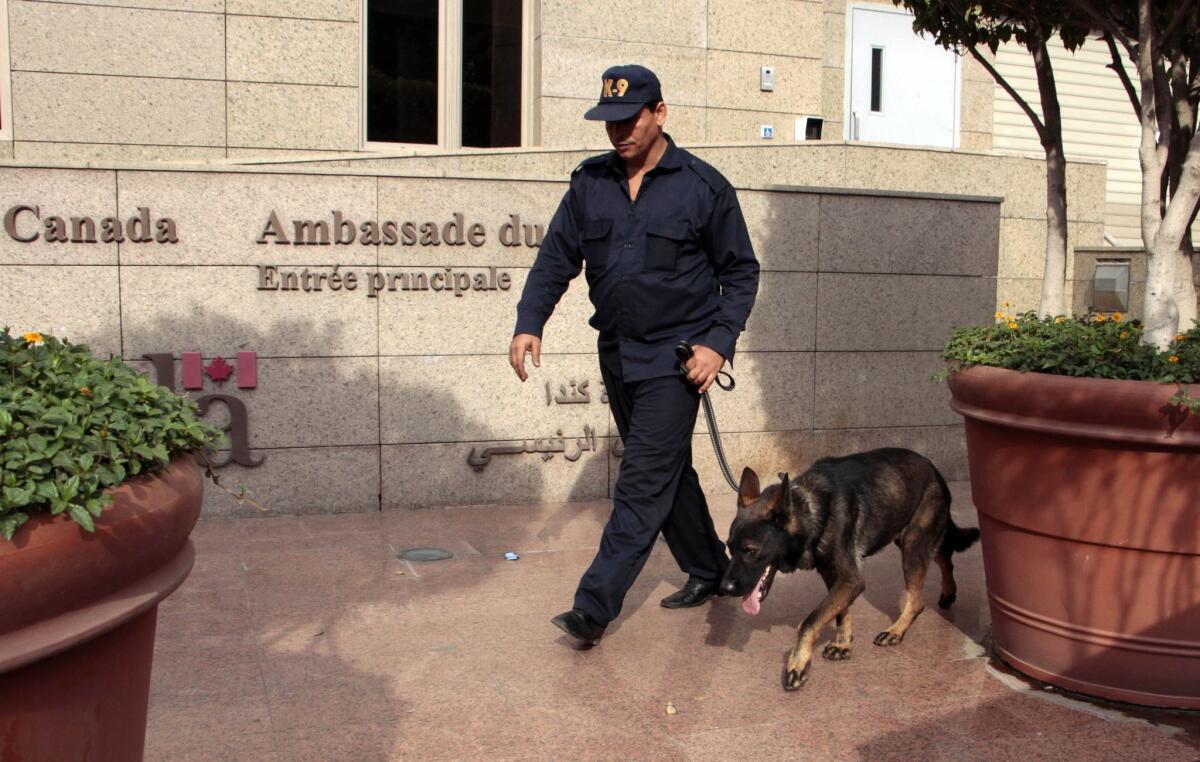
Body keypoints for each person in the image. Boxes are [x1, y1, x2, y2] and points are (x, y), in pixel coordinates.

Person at [509, 64, 760, 646]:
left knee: (641, 482)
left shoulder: (703, 187)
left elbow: (741, 274)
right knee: (667, 470)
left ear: (660, 113)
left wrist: (717, 345)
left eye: (630, 119)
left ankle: (592, 609)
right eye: (609, 121)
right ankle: (710, 569)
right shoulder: (590, 184)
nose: (618, 131)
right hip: (617, 353)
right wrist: (530, 323)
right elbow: (555, 259)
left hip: (677, 361)